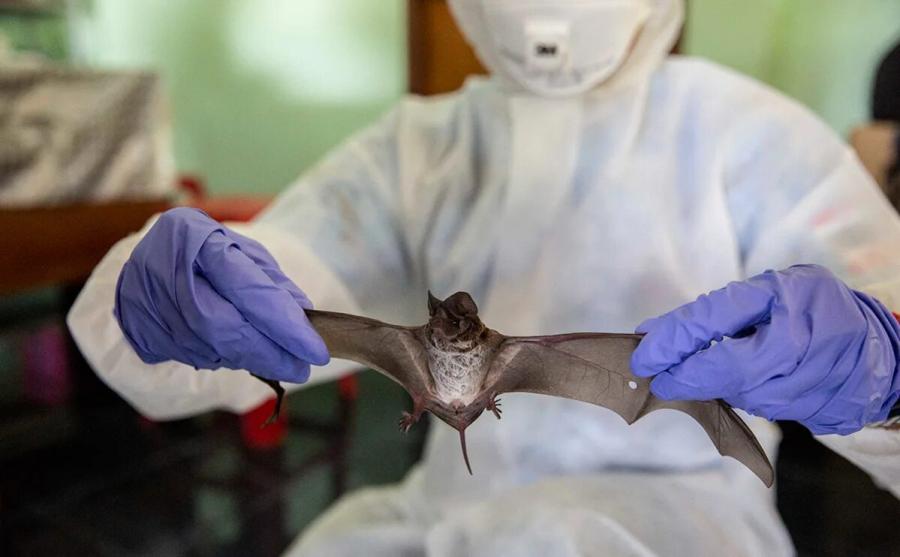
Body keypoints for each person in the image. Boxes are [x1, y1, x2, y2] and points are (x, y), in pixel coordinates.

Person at [69, 0, 900, 555]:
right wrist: (189, 291)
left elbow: (883, 287)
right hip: (445, 515)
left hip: (680, 524)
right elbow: (299, 267)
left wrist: (885, 361)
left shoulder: (747, 133)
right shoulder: (419, 147)